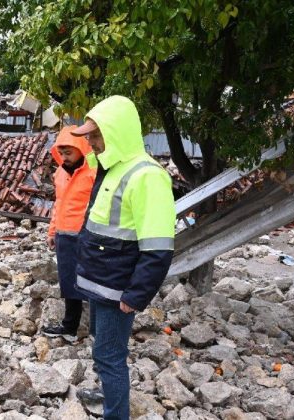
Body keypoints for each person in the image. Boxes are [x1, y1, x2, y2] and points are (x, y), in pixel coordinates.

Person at [71, 96, 175, 420]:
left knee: (109, 356)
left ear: (116, 133)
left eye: (95, 135)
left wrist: (137, 294)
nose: (90, 142)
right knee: (102, 351)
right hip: (101, 284)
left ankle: (116, 415)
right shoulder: (112, 168)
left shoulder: (147, 176)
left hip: (118, 291)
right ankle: (107, 396)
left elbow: (158, 248)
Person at [41, 125, 95, 338]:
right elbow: (59, 203)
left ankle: (98, 331)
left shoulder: (94, 173)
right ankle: (70, 327)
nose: (64, 157)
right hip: (64, 234)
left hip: (88, 234)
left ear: (81, 147)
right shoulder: (60, 174)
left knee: (92, 281)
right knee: (68, 282)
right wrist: (52, 231)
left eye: (68, 152)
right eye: (61, 153)